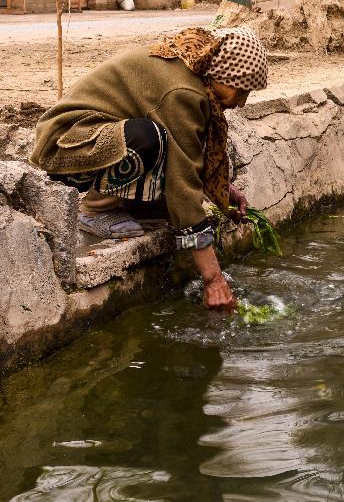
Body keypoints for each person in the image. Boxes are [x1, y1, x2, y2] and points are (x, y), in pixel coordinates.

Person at [30, 26, 268, 310]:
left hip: (98, 139)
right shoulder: (182, 91)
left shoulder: (195, 72)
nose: (241, 102)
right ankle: (95, 210)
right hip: (68, 143)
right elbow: (182, 180)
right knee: (148, 138)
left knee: (154, 141)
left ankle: (133, 207)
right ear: (224, 75)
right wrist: (214, 279)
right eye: (241, 90)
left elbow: (188, 151)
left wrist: (224, 190)